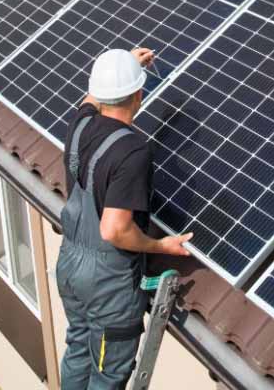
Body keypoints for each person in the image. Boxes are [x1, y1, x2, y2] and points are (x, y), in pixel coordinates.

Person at [56, 47, 192, 390]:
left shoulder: (79, 124)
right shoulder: (132, 150)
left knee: (78, 349)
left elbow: (91, 100)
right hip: (107, 284)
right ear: (139, 94)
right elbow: (115, 229)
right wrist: (160, 244)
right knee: (107, 374)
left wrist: (124, 65)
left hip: (70, 265)